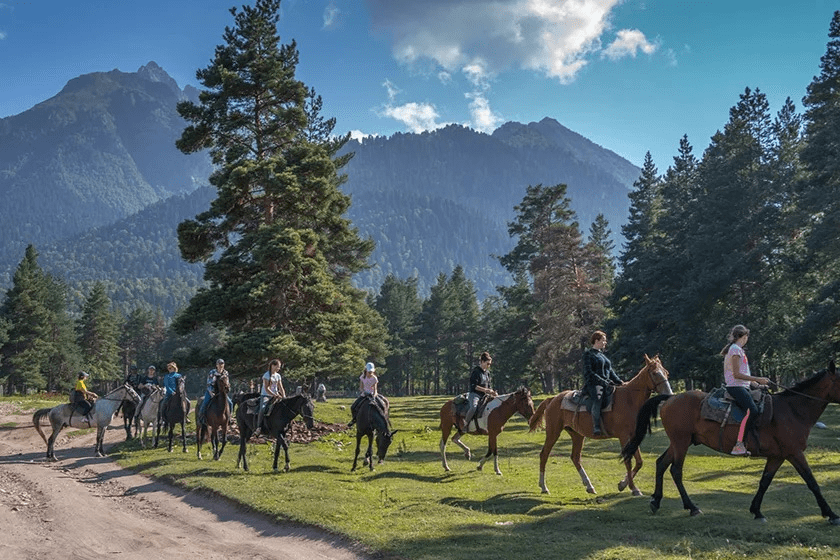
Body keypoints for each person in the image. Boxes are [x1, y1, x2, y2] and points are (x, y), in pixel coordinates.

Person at [722, 325, 769, 456]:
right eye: (747, 336)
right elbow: (736, 374)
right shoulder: (735, 350)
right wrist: (758, 379)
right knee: (752, 410)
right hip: (735, 386)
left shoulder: (737, 350)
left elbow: (743, 374)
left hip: (742, 385)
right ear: (744, 336)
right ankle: (739, 444)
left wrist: (756, 384)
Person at [582, 330, 623, 436]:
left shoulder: (603, 356)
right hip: (593, 384)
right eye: (603, 340)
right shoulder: (588, 354)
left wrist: (619, 382)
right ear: (596, 341)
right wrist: (602, 381)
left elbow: (610, 372)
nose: (605, 343)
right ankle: (596, 426)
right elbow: (589, 373)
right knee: (598, 399)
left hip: (606, 384)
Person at [460, 352, 497, 434]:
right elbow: (474, 386)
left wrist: (493, 392)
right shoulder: (476, 372)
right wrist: (487, 390)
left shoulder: (487, 373)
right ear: (482, 362)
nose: (489, 366)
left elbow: (489, 386)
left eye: (490, 364)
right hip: (475, 395)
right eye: (487, 364)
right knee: (473, 407)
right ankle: (465, 425)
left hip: (485, 395)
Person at [348, 362, 388, 428]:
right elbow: (361, 387)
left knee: (382, 405)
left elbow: (375, 389)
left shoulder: (374, 378)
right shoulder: (362, 377)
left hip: (372, 395)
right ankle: (354, 419)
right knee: (353, 407)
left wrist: (374, 395)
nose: (370, 373)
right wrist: (364, 392)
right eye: (369, 372)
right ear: (366, 370)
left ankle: (383, 419)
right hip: (364, 394)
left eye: (371, 372)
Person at [253, 359, 286, 438]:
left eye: (279, 367)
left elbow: (280, 387)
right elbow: (267, 388)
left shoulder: (278, 376)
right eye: (278, 367)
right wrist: (274, 395)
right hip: (266, 395)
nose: (279, 368)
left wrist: (284, 396)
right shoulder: (266, 375)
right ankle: (259, 427)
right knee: (263, 408)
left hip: (276, 395)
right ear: (273, 366)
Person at [198, 358, 232, 425]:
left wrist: (228, 389)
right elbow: (209, 383)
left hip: (222, 393)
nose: (220, 365)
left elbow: (227, 383)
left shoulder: (226, 373)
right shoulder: (212, 372)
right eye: (219, 364)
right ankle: (201, 417)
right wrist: (211, 393)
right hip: (212, 391)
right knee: (205, 402)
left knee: (230, 403)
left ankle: (229, 418)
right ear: (216, 365)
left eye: (222, 364)